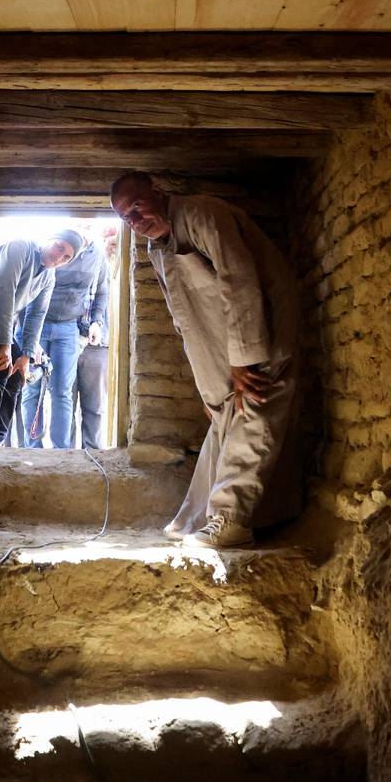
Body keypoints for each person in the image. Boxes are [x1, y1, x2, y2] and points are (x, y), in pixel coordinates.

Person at [109, 171, 302, 548]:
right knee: (224, 419)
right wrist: (209, 385)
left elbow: (240, 280)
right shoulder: (157, 248)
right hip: (221, 349)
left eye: (136, 206)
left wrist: (245, 359)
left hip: (262, 333)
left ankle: (230, 520)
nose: (133, 220)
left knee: (254, 410)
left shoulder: (203, 215)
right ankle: (204, 518)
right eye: (124, 217)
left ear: (158, 192)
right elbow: (185, 321)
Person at [0, 230, 80, 446]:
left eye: (67, 256)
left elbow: (36, 315)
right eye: (59, 246)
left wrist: (26, 356)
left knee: (17, 377)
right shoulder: (20, 248)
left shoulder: (49, 276)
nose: (60, 257)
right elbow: (2, 293)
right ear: (48, 238)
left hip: (1, 324)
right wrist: (5, 345)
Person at [18, 228, 109, 448]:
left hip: (68, 329)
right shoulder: (55, 250)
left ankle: (62, 451)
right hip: (36, 324)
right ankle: (33, 449)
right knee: (31, 388)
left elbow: (102, 291)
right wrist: (30, 338)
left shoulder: (97, 254)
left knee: (62, 391)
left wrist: (97, 321)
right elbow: (25, 292)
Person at [70, 225, 117, 449]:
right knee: (65, 401)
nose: (112, 245)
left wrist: (97, 326)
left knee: (95, 405)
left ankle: (93, 452)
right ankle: (65, 455)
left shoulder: (109, 267)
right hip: (69, 338)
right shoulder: (69, 258)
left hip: (98, 343)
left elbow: (103, 297)